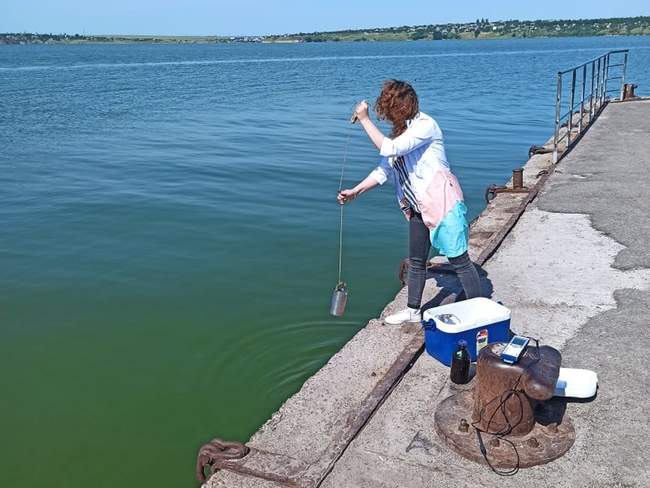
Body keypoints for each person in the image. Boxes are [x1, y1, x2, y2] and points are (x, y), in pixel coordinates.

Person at [337, 79, 482, 325]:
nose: (389, 114)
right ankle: (413, 310)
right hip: (416, 206)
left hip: (442, 203)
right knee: (416, 260)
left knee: (459, 260)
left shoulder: (425, 126)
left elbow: (390, 149)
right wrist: (356, 191)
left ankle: (479, 312)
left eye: (391, 108)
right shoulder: (400, 131)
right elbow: (384, 170)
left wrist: (364, 119)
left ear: (401, 107)